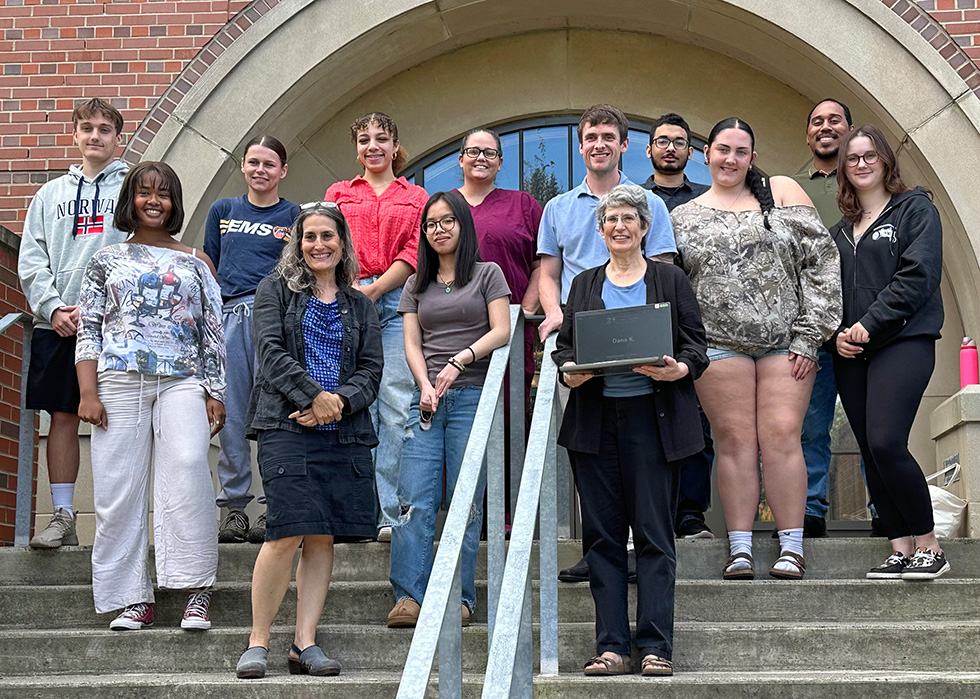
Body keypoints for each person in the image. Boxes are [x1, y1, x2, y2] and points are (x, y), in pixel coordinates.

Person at [670, 117, 842, 581]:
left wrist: (812, 334)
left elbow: (822, 265)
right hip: (718, 346)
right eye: (722, 149)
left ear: (753, 158)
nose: (730, 159)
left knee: (784, 436)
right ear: (706, 154)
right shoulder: (682, 217)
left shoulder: (782, 196)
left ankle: (791, 546)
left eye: (740, 151)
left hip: (788, 344)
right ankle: (740, 548)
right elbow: (672, 288)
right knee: (735, 442)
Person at [554, 184, 708, 677]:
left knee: (655, 537)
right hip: (596, 427)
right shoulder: (583, 285)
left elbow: (696, 346)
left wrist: (680, 370)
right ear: (600, 231)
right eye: (610, 220)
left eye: (628, 218)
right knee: (601, 539)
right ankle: (613, 647)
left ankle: (656, 646)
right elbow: (564, 348)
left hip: (654, 424)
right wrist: (568, 371)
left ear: (644, 227)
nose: (619, 226)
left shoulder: (670, 280)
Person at [75, 161, 225, 630]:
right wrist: (87, 392)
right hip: (117, 381)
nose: (154, 200)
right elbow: (89, 331)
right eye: (144, 192)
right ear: (131, 200)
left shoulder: (195, 261)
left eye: (163, 193)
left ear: (175, 202)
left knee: (186, 468)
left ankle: (195, 588)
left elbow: (212, 333)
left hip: (183, 379)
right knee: (118, 490)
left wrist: (215, 392)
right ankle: (132, 598)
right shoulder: (105, 261)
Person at [235, 202, 383, 679]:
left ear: (343, 243)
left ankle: (304, 643)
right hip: (286, 425)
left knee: (322, 537)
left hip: (343, 432)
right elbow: (270, 352)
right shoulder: (274, 290)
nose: (318, 245)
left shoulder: (360, 303)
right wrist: (314, 397)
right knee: (284, 532)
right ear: (297, 244)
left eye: (327, 236)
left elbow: (372, 370)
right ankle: (258, 641)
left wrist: (337, 402)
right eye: (309, 236)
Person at [537, 104, 677, 584]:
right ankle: (599, 547)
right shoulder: (557, 207)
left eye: (607, 136)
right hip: (584, 345)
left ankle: (642, 548)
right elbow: (549, 272)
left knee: (644, 451)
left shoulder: (649, 205)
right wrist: (555, 314)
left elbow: (662, 271)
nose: (598, 143)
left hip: (643, 346)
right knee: (590, 446)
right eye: (590, 136)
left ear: (624, 145)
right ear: (581, 146)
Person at [386, 191, 511, 628]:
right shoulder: (416, 281)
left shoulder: (487, 274)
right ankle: (408, 597)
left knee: (465, 502)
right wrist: (424, 384)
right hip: (427, 401)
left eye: (446, 221)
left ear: (463, 224)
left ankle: (460, 597)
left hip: (471, 395)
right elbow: (412, 343)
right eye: (430, 224)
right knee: (414, 500)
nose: (438, 230)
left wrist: (461, 361)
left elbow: (502, 330)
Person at [829, 125, 949, 580]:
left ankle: (929, 545)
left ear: (885, 161)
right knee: (870, 450)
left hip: (903, 341)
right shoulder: (840, 232)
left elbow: (918, 276)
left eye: (869, 155)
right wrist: (835, 333)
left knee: (886, 441)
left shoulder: (915, 210)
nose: (861, 163)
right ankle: (899, 547)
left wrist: (867, 324)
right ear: (843, 168)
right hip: (852, 351)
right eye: (852, 158)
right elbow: (829, 293)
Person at [18, 97, 131, 549]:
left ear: (118, 138)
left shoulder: (131, 188)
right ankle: (63, 516)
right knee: (63, 416)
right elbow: (32, 258)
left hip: (117, 323)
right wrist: (52, 308)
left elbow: (139, 247)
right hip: (59, 324)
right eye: (87, 128)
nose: (95, 136)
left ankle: (117, 523)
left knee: (121, 418)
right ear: (75, 135)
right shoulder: (50, 195)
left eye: (105, 129)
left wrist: (98, 303)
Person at [325, 112, 429, 541]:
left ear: (394, 145)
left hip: (397, 300)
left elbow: (416, 247)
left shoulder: (417, 195)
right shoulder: (339, 192)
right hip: (343, 299)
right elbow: (325, 239)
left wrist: (376, 288)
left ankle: (388, 513)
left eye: (381, 139)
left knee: (396, 407)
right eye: (364, 139)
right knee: (350, 405)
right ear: (356, 147)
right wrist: (351, 287)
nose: (373, 146)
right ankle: (354, 513)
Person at [204, 134, 300, 545]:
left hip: (274, 320)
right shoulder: (223, 210)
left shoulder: (293, 214)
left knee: (276, 414)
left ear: (282, 171)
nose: (260, 170)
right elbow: (208, 263)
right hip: (228, 317)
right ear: (243, 166)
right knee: (233, 414)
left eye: (269, 164)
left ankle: (273, 507)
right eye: (253, 162)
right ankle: (235, 510)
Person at [641, 113, 714, 541]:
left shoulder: (706, 201)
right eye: (662, 141)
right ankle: (650, 516)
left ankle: (690, 514)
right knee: (646, 428)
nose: (671, 148)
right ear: (648, 150)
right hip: (641, 322)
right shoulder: (630, 198)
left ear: (692, 152)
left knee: (694, 426)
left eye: (680, 142)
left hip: (694, 327)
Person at [790, 99, 856, 539]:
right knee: (810, 426)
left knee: (871, 428)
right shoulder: (787, 188)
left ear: (849, 130)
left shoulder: (869, 181)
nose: (825, 127)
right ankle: (810, 509)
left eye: (834, 120)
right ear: (808, 133)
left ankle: (882, 508)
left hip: (862, 327)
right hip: (811, 330)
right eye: (817, 121)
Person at [454, 127, 543, 393]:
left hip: (510, 332)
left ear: (500, 162)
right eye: (473, 151)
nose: (481, 157)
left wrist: (524, 313)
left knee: (509, 417)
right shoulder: (444, 206)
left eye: (489, 152)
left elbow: (543, 265)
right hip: (454, 331)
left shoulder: (523, 205)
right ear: (461, 159)